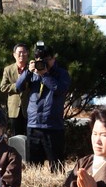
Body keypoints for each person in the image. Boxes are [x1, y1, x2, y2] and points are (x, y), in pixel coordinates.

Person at [16, 42, 71, 171]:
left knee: (56, 166)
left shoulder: (61, 74)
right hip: (33, 124)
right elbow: (18, 87)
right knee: (34, 166)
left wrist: (45, 75)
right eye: (39, 59)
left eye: (46, 60)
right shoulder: (32, 73)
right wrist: (27, 72)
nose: (42, 63)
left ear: (53, 59)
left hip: (52, 125)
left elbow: (59, 89)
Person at [0, 43, 31, 136]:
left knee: (30, 136)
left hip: (29, 108)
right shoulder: (8, 69)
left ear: (27, 53)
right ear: (14, 55)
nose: (21, 55)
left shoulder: (31, 68)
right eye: (19, 52)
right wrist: (16, 86)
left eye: (24, 52)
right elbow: (3, 87)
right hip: (14, 109)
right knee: (16, 137)